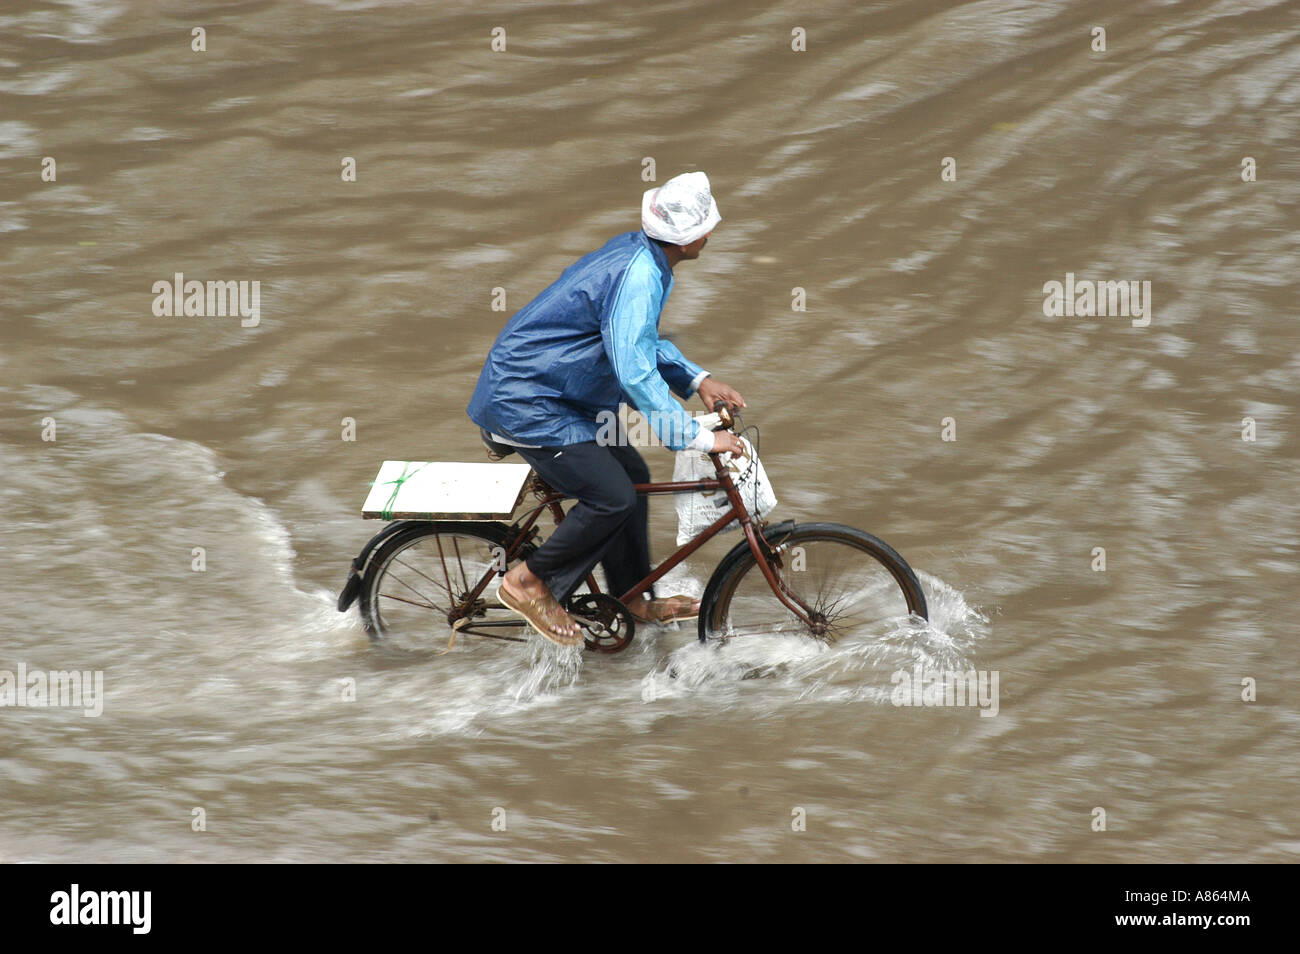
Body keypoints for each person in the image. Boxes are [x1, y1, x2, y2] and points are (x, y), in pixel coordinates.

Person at [466, 171, 747, 646]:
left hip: (561, 395)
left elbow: (636, 340)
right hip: (529, 402)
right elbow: (634, 372)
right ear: (689, 237)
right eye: (707, 226)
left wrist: (697, 379)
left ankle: (632, 599)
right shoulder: (638, 274)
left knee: (630, 477)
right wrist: (696, 437)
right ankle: (525, 582)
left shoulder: (642, 255)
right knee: (612, 495)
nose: (711, 233)